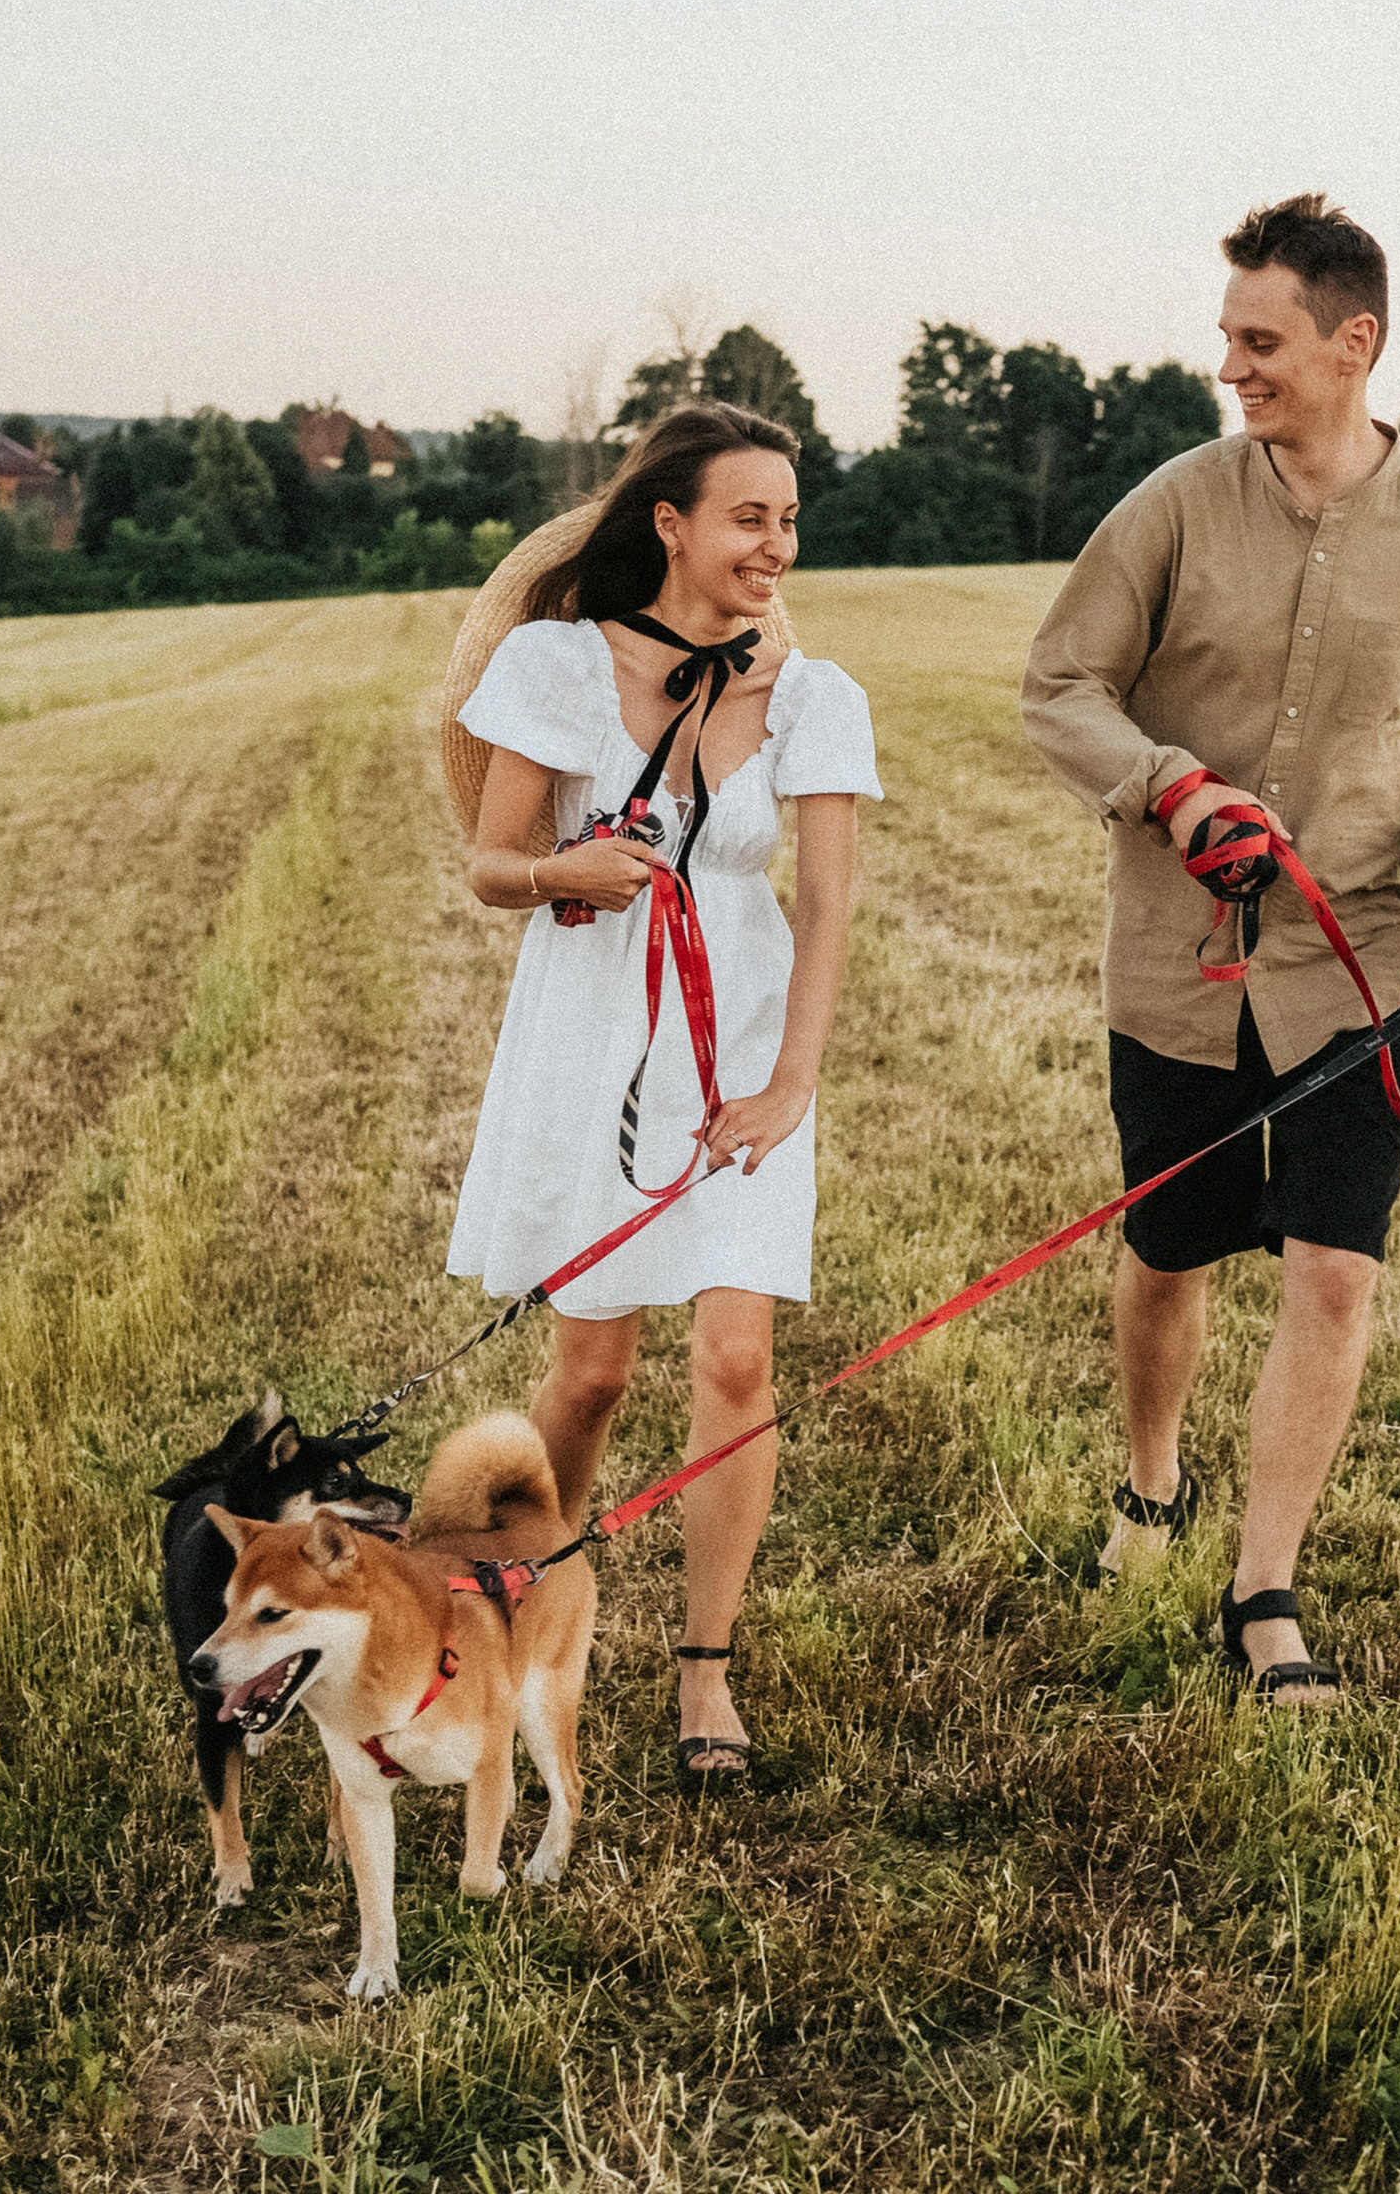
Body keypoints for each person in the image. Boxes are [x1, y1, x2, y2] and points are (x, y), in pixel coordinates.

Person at [1021, 195, 1400, 1705]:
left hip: (1360, 968)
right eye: (1229, 335)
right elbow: (1060, 684)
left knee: (1333, 1274)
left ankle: (1263, 1589)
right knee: (1169, 1253)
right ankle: (1152, 1481)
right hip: (1179, 962)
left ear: (1352, 342)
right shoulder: (1172, 506)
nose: (1231, 365)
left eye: (1262, 340)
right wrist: (1169, 783)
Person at [452, 402, 880, 1780]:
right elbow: (489, 862)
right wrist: (565, 872)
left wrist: (790, 1084)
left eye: (792, 520)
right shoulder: (558, 665)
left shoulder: (814, 698)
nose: (779, 545)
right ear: (672, 523)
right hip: (593, 1039)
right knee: (589, 1371)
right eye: (752, 516)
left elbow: (823, 907)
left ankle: (706, 1674)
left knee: (736, 1357)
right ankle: (527, 1606)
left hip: (741, 1045)